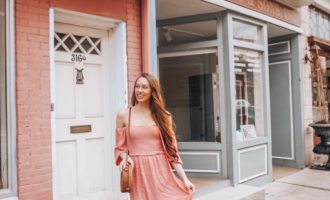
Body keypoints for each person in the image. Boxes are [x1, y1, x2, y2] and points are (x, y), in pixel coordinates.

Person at [114, 73, 195, 200]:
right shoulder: (123, 115)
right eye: (137, 87)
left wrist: (185, 179)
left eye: (144, 87)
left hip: (161, 171)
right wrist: (125, 157)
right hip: (138, 171)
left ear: (153, 91)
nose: (139, 91)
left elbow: (172, 152)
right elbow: (119, 148)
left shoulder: (164, 116)